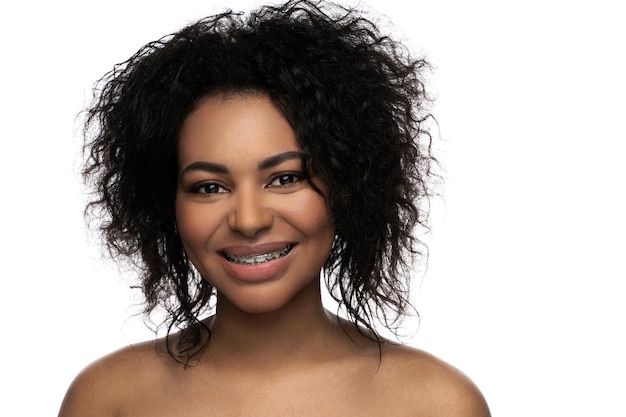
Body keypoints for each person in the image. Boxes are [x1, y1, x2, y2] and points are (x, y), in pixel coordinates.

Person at [59, 1, 490, 415]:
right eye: (209, 187)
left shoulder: (435, 405)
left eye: (285, 178)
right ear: (165, 202)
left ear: (349, 186)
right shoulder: (108, 400)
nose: (248, 220)